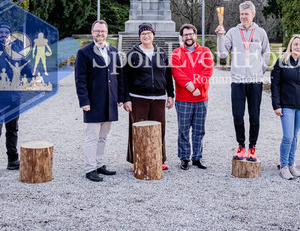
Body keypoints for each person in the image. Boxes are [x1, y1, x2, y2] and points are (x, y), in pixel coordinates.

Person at [215, 1, 270, 162]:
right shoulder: (232, 32)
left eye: (246, 14)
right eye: (241, 14)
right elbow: (222, 54)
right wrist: (220, 36)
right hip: (237, 81)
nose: (244, 17)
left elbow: (266, 53)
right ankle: (241, 145)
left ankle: (252, 147)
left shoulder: (260, 33)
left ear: (253, 14)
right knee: (238, 115)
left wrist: (260, 71)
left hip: (255, 82)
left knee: (254, 116)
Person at [74, 20, 126, 182]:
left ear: (107, 32)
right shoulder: (84, 53)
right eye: (97, 31)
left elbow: (119, 76)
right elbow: (80, 80)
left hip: (110, 100)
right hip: (93, 101)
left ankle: (99, 164)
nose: (100, 34)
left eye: (103, 31)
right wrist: (84, 101)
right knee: (92, 137)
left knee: (103, 136)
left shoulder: (114, 51)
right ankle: (90, 168)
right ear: (92, 32)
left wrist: (120, 97)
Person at [0, 21, 33, 177]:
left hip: (14, 96)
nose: (3, 35)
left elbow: (25, 68)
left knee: (13, 130)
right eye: (1, 32)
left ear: (10, 35)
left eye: (6, 32)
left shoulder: (16, 49)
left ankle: (12, 160)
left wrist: (32, 71)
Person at [123, 23, 174, 170]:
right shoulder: (132, 54)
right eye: (143, 33)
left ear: (153, 35)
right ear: (140, 36)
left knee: (159, 129)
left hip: (159, 97)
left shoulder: (161, 52)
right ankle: (137, 161)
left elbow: (168, 75)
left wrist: (170, 95)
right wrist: (126, 99)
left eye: (149, 33)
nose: (146, 36)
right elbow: (124, 78)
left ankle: (158, 159)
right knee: (138, 130)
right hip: (138, 97)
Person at [271, 35, 300, 180]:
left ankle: (292, 164)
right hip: (286, 105)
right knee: (288, 136)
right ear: (291, 45)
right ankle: (284, 166)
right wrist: (276, 105)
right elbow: (275, 85)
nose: (298, 47)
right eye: (295, 44)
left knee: (294, 136)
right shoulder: (282, 62)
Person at [171, 24, 214, 170]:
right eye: (185, 35)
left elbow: (207, 71)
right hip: (183, 99)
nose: (188, 37)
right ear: (182, 37)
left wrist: (195, 86)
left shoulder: (205, 51)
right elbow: (177, 73)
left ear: (195, 35)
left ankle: (197, 157)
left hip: (201, 98)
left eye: (190, 34)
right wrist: (190, 86)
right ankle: (184, 158)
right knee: (183, 130)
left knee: (199, 130)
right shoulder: (176, 53)